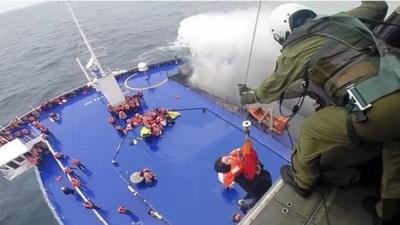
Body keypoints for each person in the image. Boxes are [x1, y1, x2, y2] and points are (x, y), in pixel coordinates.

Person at [239, 1, 400, 223]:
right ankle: (387, 212)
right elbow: (378, 5)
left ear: (284, 32)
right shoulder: (341, 19)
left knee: (312, 129)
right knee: (395, 150)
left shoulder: (294, 50)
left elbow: (269, 90)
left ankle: (302, 182)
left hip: (381, 108)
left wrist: (249, 96)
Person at [214, 140, 272, 210]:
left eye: (226, 157)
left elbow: (248, 153)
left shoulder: (236, 158)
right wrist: (258, 174)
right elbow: (253, 190)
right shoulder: (240, 177)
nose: (229, 157)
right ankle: (248, 205)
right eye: (227, 160)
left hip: (262, 177)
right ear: (227, 167)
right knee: (256, 196)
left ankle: (249, 202)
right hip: (264, 187)